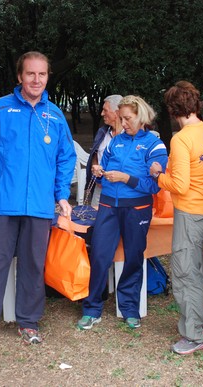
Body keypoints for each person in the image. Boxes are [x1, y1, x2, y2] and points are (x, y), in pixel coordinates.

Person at [0, 51, 76, 356]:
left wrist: (62, 195)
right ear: (19, 76)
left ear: (47, 77)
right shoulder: (1, 109)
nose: (36, 80)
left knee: (33, 267)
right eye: (30, 74)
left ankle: (29, 323)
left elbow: (66, 157)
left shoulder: (54, 116)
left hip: (40, 207)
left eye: (42, 74)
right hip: (3, 204)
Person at [77, 95, 168, 331]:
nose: (123, 122)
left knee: (133, 257)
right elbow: (104, 170)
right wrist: (99, 171)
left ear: (142, 116)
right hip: (108, 205)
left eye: (128, 118)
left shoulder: (154, 145)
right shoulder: (115, 142)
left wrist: (126, 178)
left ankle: (129, 309)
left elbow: (155, 186)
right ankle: (92, 308)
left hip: (137, 208)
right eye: (121, 118)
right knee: (99, 256)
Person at [150, 81, 203, 355]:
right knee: (190, 266)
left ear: (172, 109)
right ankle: (202, 319)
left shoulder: (181, 139)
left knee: (183, 272)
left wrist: (158, 175)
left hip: (190, 211)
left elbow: (179, 186)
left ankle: (193, 335)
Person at [85, 94, 123, 207]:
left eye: (105, 110)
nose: (102, 114)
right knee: (94, 220)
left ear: (117, 113)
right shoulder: (102, 132)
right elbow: (96, 155)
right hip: (100, 187)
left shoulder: (129, 136)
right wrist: (95, 169)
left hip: (121, 190)